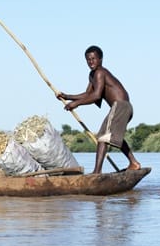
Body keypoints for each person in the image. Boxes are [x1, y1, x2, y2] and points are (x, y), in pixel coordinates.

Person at [57, 45, 141, 174]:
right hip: (122, 108)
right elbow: (88, 94)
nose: (91, 62)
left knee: (102, 137)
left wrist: (76, 104)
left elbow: (96, 95)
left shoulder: (100, 72)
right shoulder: (93, 75)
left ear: (100, 59)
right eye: (88, 60)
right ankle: (134, 163)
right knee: (112, 135)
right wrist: (67, 96)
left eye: (93, 59)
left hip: (121, 106)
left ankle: (97, 172)